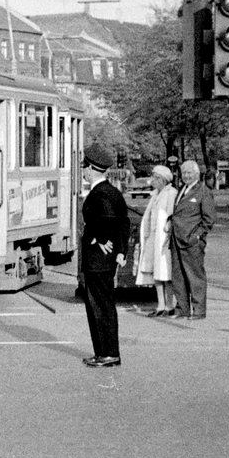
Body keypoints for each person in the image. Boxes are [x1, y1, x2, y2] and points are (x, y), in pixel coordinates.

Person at [80, 143, 130, 368]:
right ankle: (104, 352)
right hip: (104, 260)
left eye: (84, 168)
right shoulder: (112, 192)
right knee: (102, 306)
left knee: (99, 307)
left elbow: (106, 221)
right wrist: (121, 250)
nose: (83, 171)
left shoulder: (101, 194)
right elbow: (124, 223)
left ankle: (107, 353)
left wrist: (97, 239)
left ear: (90, 169)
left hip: (98, 261)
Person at [168, 159, 215, 320]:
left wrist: (197, 236)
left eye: (189, 173)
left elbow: (208, 219)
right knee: (178, 276)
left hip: (191, 241)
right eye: (184, 173)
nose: (186, 176)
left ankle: (199, 310)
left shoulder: (203, 191)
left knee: (195, 276)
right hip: (176, 239)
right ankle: (182, 308)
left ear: (196, 174)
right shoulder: (182, 189)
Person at [136, 164, 177, 316]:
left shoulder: (171, 193)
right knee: (156, 273)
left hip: (164, 239)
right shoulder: (155, 195)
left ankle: (169, 304)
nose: (151, 180)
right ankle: (161, 304)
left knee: (166, 272)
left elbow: (171, 216)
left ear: (161, 179)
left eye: (154, 177)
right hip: (153, 238)